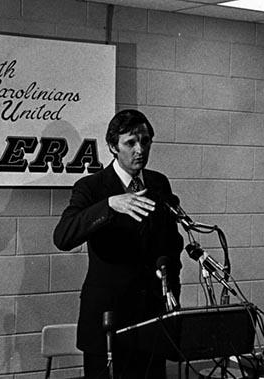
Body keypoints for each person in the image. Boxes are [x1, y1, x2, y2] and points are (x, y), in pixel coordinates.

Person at [53, 109, 183, 378]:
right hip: (108, 320)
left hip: (151, 320)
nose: (140, 150)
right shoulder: (91, 187)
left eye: (145, 141)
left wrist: (171, 297)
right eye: (131, 143)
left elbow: (172, 246)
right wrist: (110, 205)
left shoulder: (159, 183)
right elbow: (63, 237)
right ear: (113, 146)